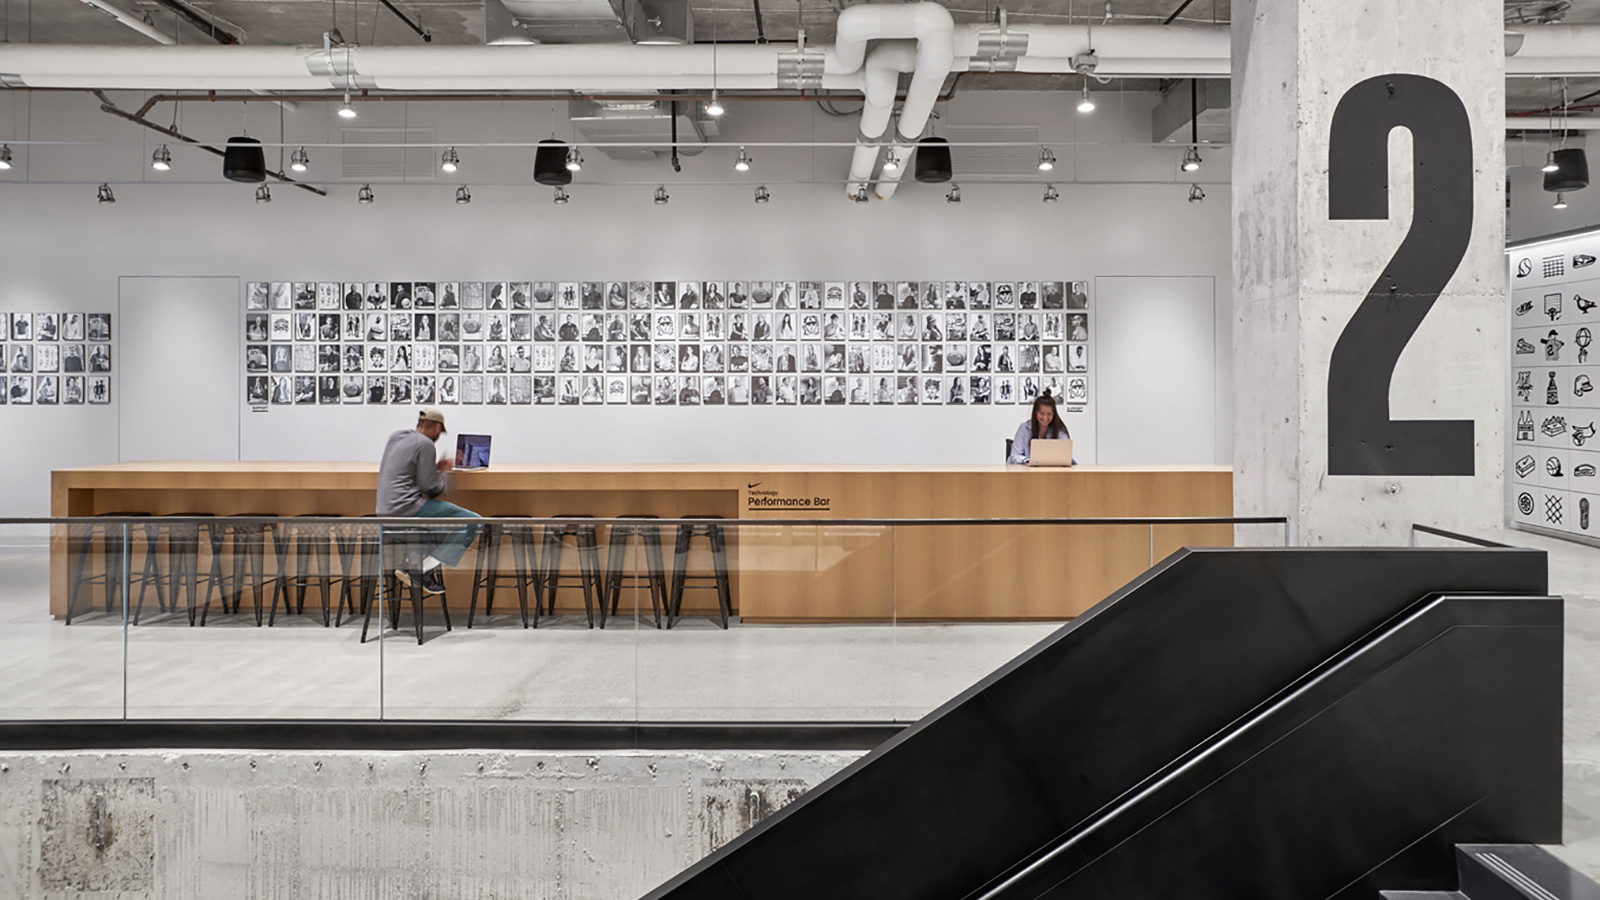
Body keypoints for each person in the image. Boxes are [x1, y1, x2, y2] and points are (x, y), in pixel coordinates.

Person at [377, 409, 481, 594]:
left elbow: (408, 471)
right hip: (406, 508)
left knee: (443, 526)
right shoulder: (425, 444)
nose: (438, 436)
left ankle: (416, 562)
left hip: (384, 510)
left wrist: (434, 467)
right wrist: (444, 472)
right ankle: (419, 569)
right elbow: (430, 489)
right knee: (472, 521)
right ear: (437, 427)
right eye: (439, 432)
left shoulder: (396, 437)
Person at [1008, 393, 1072, 465]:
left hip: (1052, 472)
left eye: (1049, 414)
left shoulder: (1060, 429)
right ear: (1035, 413)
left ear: (1054, 414)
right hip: (1026, 472)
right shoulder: (1024, 428)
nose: (1045, 418)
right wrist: (1028, 460)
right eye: (1042, 413)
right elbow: (1014, 456)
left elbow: (1067, 456)